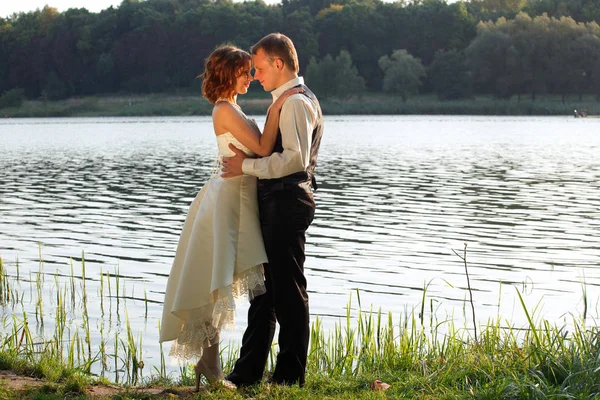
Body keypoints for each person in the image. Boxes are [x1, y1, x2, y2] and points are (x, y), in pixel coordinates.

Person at [159, 45, 301, 391]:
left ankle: (215, 371)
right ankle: (211, 370)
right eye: (244, 72)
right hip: (228, 202)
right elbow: (265, 149)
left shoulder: (232, 107)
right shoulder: (224, 109)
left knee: (228, 284)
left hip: (240, 199)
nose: (251, 77)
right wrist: (277, 107)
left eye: (252, 71)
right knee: (215, 284)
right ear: (227, 74)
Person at [222, 33, 324, 387]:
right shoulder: (290, 99)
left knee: (288, 292)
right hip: (278, 201)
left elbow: (294, 159)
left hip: (286, 201)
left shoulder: (295, 103)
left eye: (261, 68)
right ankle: (247, 373)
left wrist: (245, 168)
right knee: (264, 292)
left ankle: (289, 377)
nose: (257, 75)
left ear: (279, 64)